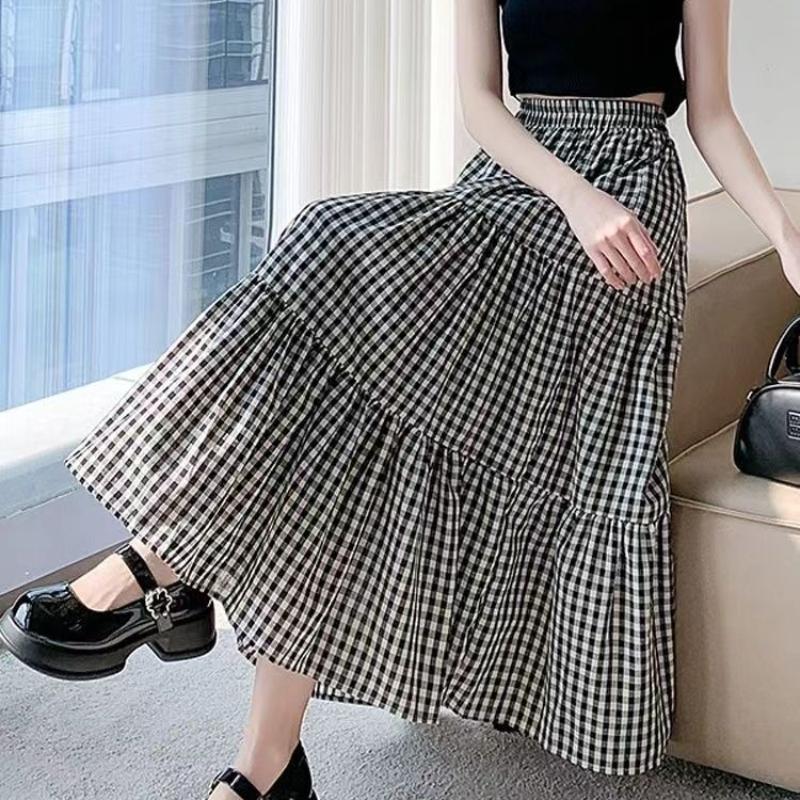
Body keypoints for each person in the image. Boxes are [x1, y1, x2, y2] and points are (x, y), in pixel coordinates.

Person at [2, 0, 800, 797]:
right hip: (523, 182)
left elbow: (713, 113)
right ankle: (263, 755)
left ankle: (168, 578)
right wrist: (572, 196)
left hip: (624, 216)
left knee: (341, 325)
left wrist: (785, 233)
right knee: (332, 321)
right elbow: (482, 103)